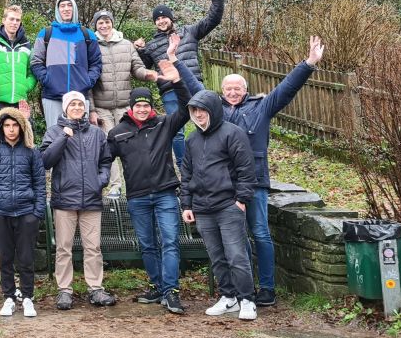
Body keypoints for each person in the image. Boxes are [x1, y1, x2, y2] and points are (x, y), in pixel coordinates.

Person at [183, 36, 325, 308]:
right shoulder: (215, 112)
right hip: (225, 188)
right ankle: (240, 290)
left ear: (245, 90)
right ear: (222, 91)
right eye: (228, 88)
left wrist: (308, 63)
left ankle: (267, 288)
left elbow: (286, 89)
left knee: (259, 233)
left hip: (255, 182)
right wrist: (176, 61)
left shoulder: (261, 107)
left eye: (237, 88)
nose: (232, 92)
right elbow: (194, 88)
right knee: (236, 239)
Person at [107, 34, 191, 314]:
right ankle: (158, 286)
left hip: (165, 193)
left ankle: (171, 291)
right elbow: (104, 160)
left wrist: (177, 81)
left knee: (170, 242)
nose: (142, 109)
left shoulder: (164, 124)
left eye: (146, 105)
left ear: (151, 106)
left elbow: (187, 108)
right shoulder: (118, 133)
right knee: (147, 245)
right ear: (131, 108)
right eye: (138, 105)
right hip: (138, 197)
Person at [181, 89, 258, 321]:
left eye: (202, 110)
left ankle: (247, 300)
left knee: (236, 256)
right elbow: (187, 173)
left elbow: (246, 169)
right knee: (216, 257)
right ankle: (228, 297)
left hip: (228, 206)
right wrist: (187, 205)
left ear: (213, 110)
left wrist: (241, 200)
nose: (198, 114)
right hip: (202, 208)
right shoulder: (191, 139)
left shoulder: (233, 133)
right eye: (194, 110)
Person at [134, 0, 225, 167]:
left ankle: (211, 161)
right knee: (176, 131)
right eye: (157, 19)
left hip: (194, 85)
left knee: (208, 122)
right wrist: (139, 50)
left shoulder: (189, 32)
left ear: (171, 18)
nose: (161, 21)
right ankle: (184, 167)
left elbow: (213, 20)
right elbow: (143, 67)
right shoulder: (152, 45)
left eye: (164, 17)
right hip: (170, 91)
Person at [41, 90, 115, 310]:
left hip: (91, 198)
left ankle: (96, 289)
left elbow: (106, 160)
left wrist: (100, 180)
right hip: (64, 199)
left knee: (93, 247)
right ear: (65, 108)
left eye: (80, 104)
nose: (76, 108)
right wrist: (64, 136)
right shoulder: (54, 131)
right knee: (63, 248)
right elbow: (45, 160)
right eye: (72, 104)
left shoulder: (96, 133)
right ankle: (64, 290)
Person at [0, 107, 46, 318]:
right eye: (7, 125)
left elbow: (40, 184)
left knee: (26, 258)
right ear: (0, 128)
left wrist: (37, 213)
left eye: (15, 125)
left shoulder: (32, 152)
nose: (11, 129)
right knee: (6, 258)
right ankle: (8, 297)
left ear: (21, 127)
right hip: (0, 213)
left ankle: (27, 297)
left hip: (27, 213)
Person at [90, 9, 158, 193]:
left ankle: (136, 183)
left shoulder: (126, 45)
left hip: (125, 106)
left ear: (112, 23)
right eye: (100, 22)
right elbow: (88, 81)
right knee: (107, 146)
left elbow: (137, 68)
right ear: (95, 25)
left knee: (131, 144)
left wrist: (148, 74)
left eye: (107, 21)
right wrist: (92, 110)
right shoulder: (91, 46)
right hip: (101, 107)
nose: (104, 25)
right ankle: (115, 185)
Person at [30, 0, 102, 128]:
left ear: (74, 8)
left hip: (79, 97)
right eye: (62, 6)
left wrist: (87, 81)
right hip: (52, 97)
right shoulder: (46, 34)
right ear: (58, 10)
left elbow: (96, 63)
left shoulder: (87, 35)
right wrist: (48, 80)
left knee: (80, 137)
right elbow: (36, 61)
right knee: (55, 136)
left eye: (69, 5)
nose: (66, 9)